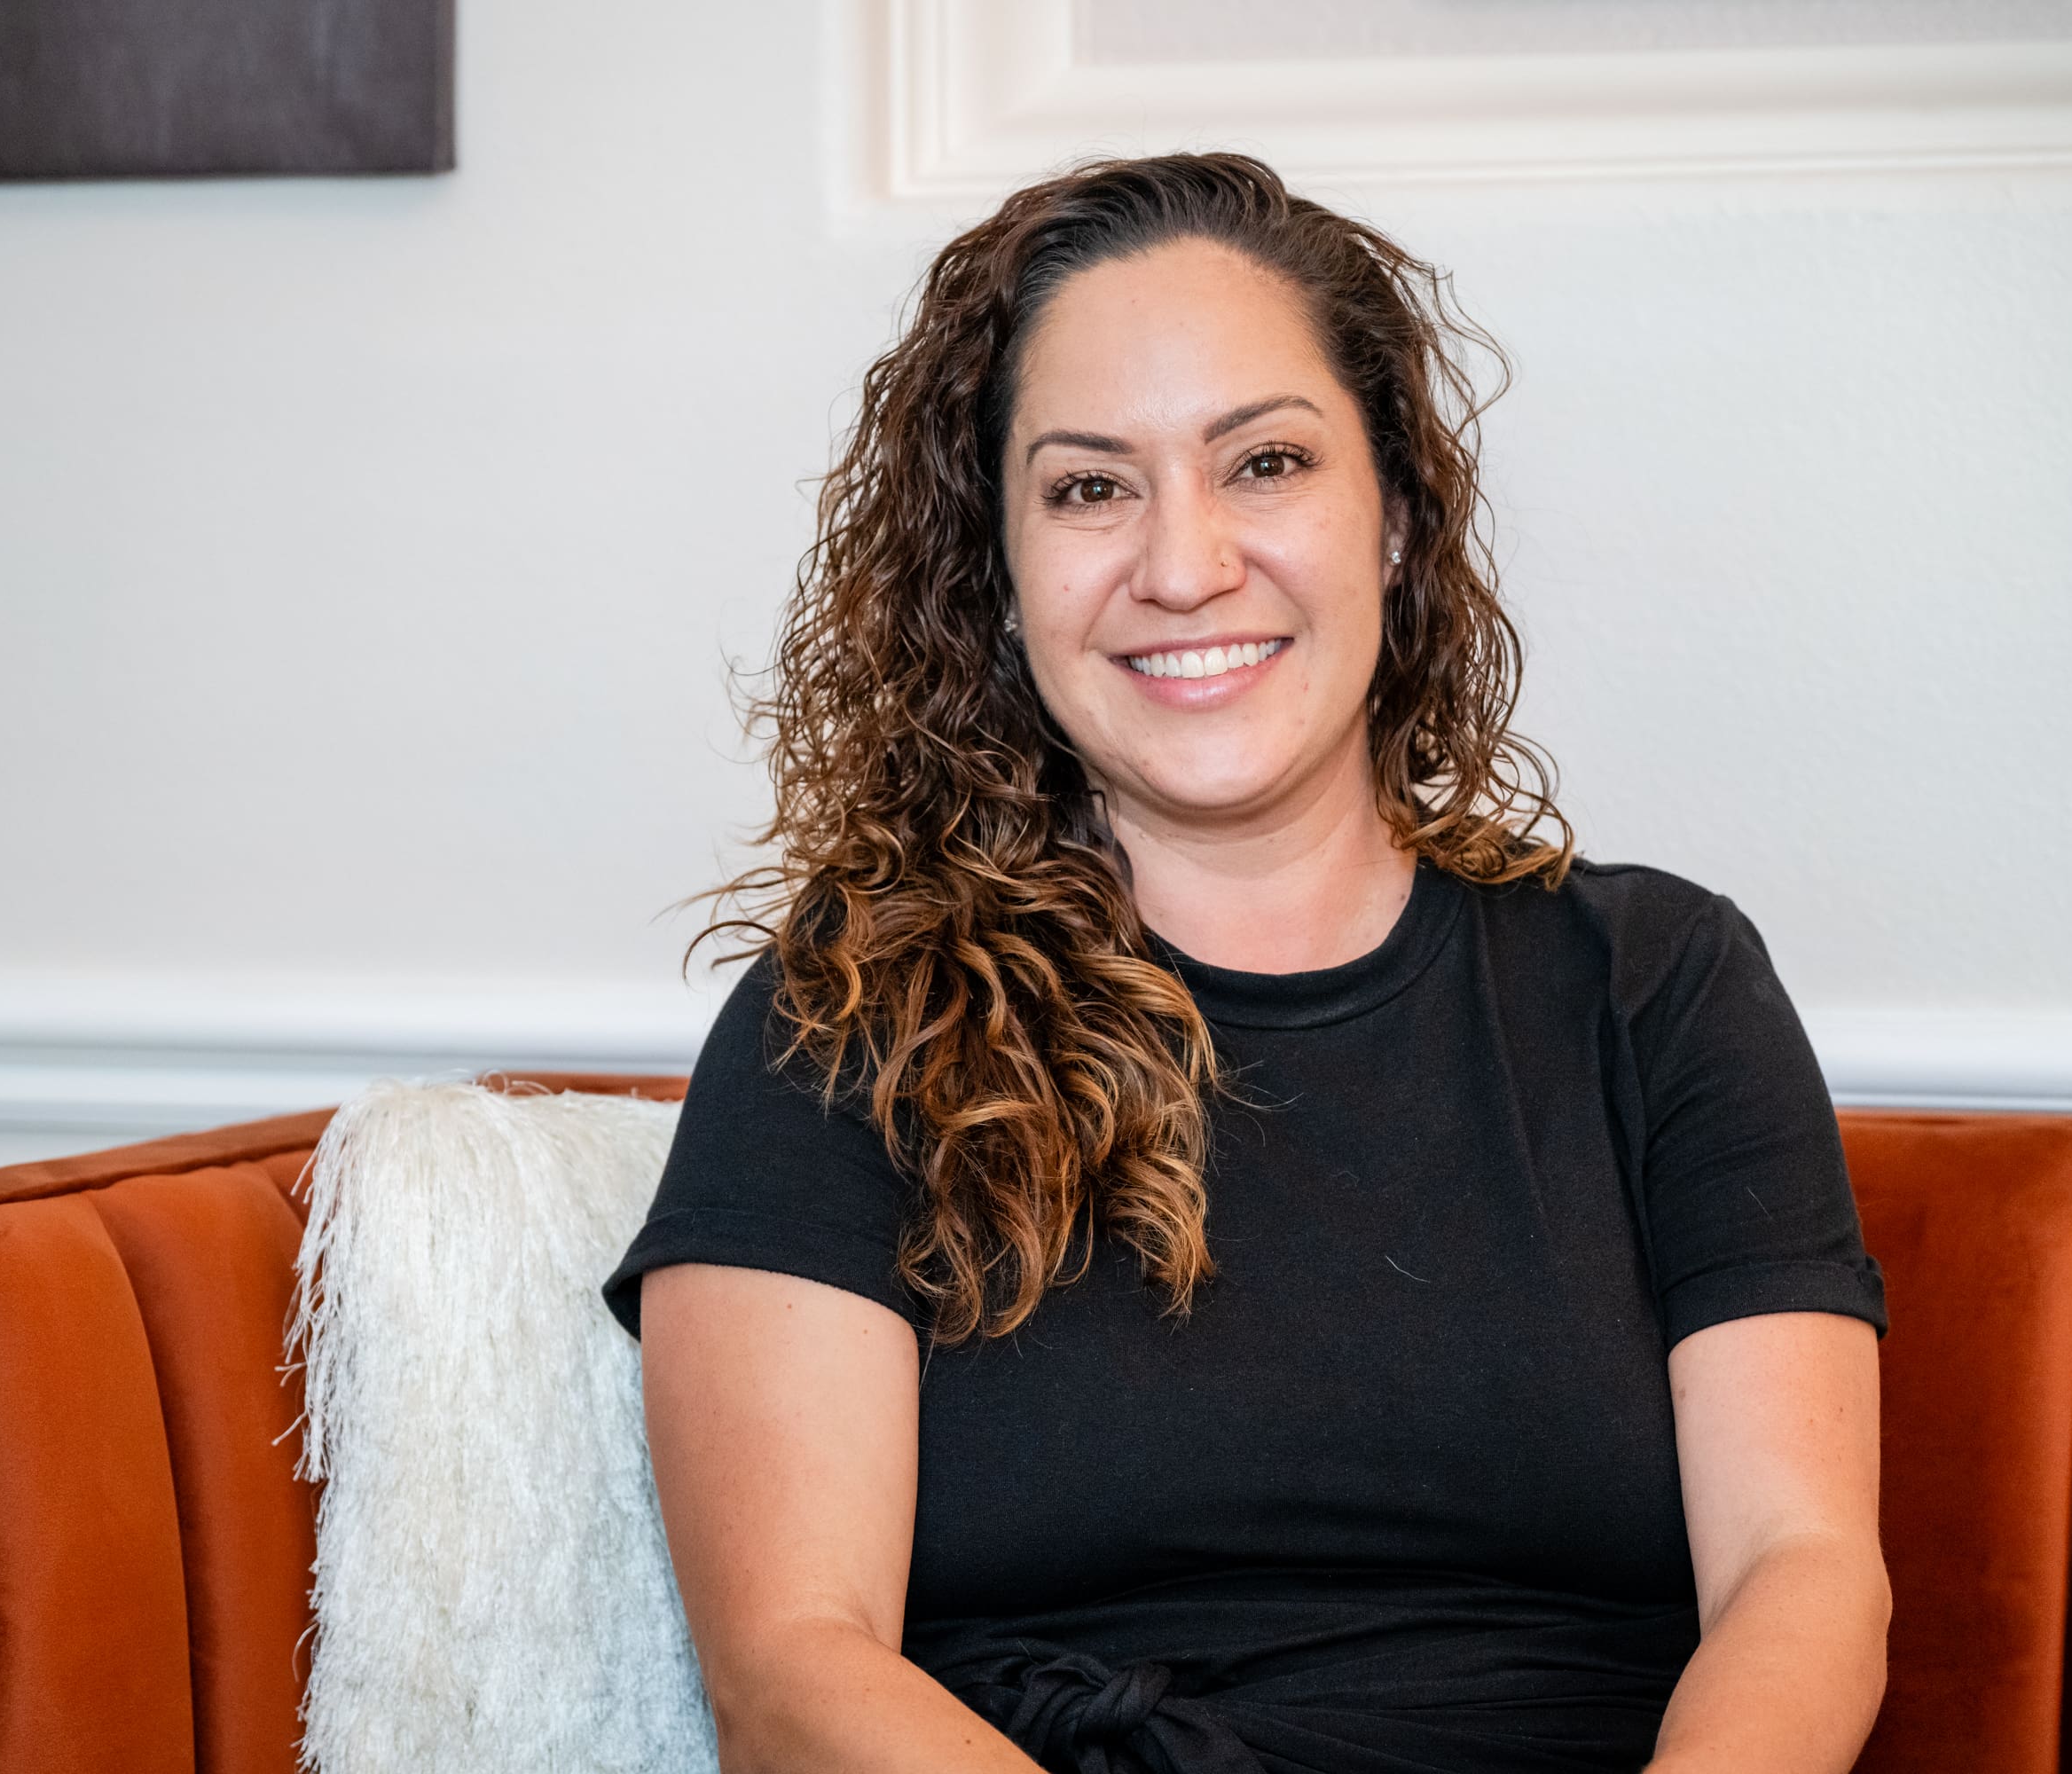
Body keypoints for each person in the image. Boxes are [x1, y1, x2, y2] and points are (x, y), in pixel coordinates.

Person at [600, 153, 1888, 1774]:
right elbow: (790, 1673)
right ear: (997, 580)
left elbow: (1806, 1572)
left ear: (1398, 521)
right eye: (1089, 488)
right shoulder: (848, 1018)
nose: (1184, 563)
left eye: (1264, 462)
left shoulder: (1658, 982)